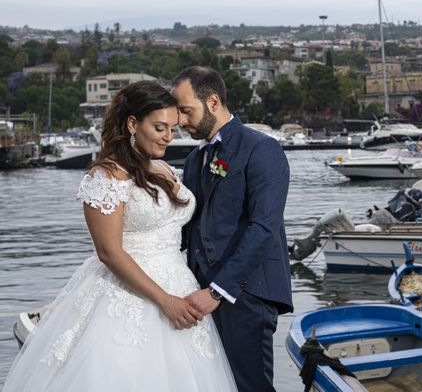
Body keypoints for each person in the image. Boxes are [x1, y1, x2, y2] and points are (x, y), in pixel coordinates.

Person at [2, 81, 237, 392]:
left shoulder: (163, 168)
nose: (168, 136)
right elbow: (109, 252)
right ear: (132, 124)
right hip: (131, 294)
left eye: (172, 128)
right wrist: (165, 302)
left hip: (180, 285)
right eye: (159, 127)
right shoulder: (105, 176)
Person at [171, 66, 293, 392]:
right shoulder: (195, 160)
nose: (180, 121)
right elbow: (190, 227)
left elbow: (264, 228)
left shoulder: (261, 149)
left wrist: (217, 292)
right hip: (197, 292)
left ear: (212, 101)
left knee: (248, 387)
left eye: (186, 110)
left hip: (247, 292)